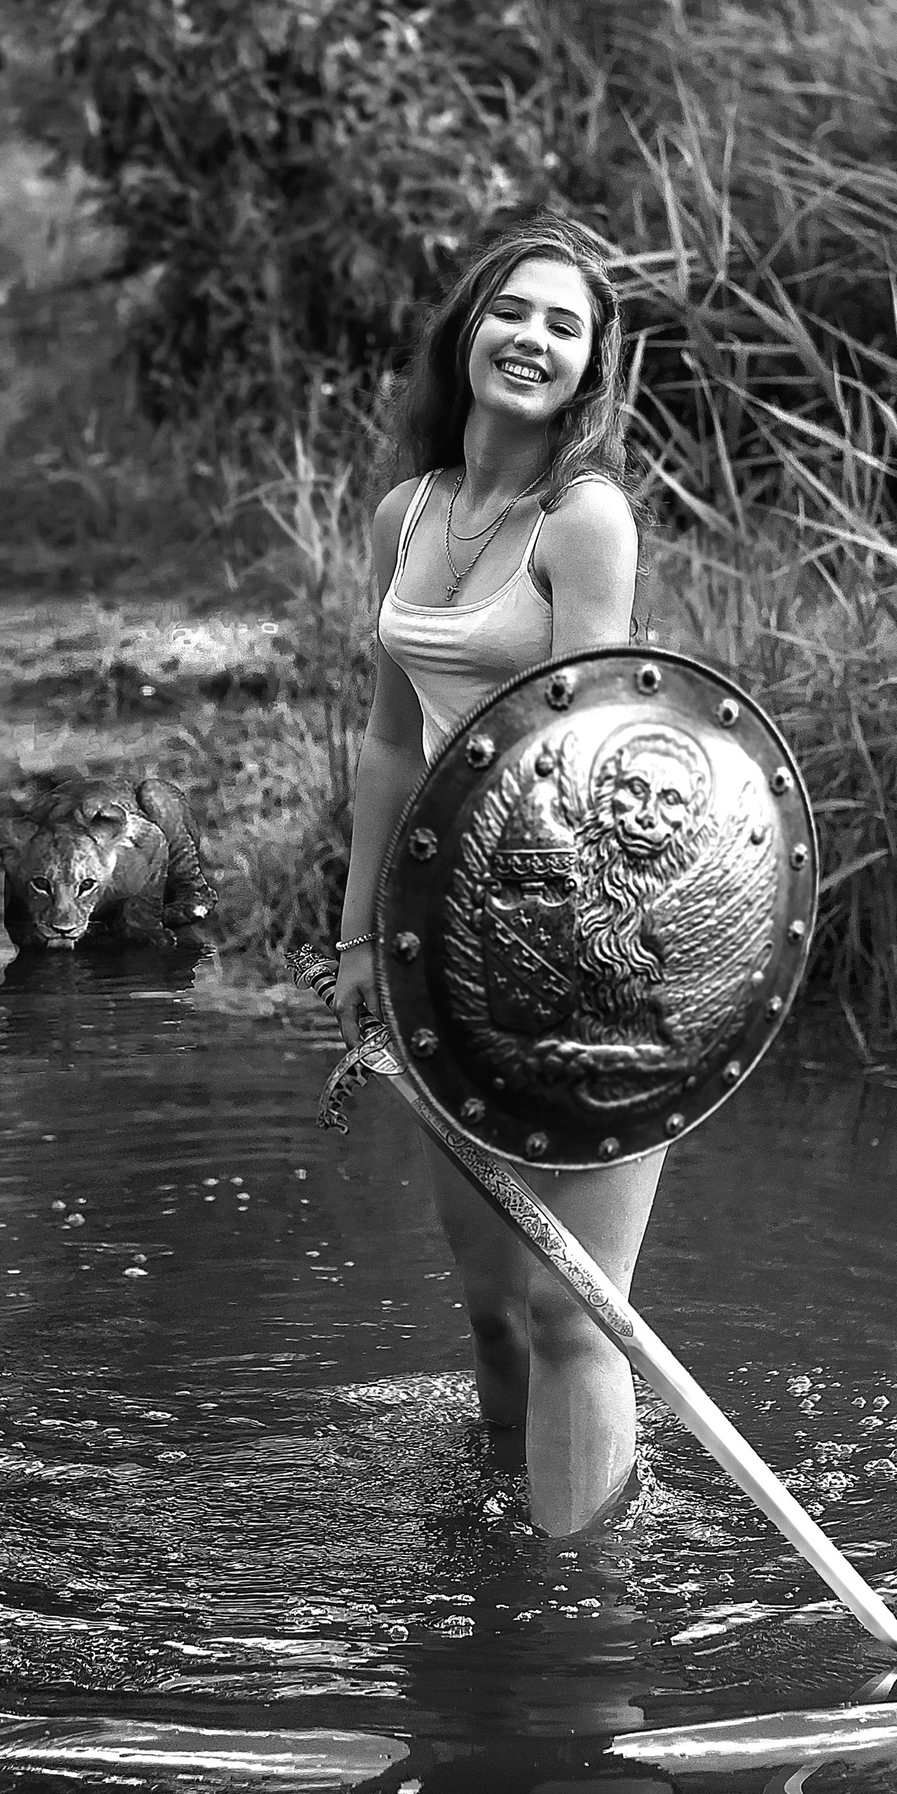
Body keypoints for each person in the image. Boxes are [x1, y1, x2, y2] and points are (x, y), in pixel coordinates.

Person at [333, 215, 659, 1539]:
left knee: (574, 1311)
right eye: (512, 310)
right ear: (468, 329)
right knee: (489, 1307)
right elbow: (386, 741)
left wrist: (546, 954)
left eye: (564, 325)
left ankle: (587, 1598)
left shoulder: (585, 523)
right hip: (439, 943)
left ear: (589, 370)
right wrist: (362, 937)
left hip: (590, 941)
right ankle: (503, 1556)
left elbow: (583, 748)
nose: (531, 337)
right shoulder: (405, 513)